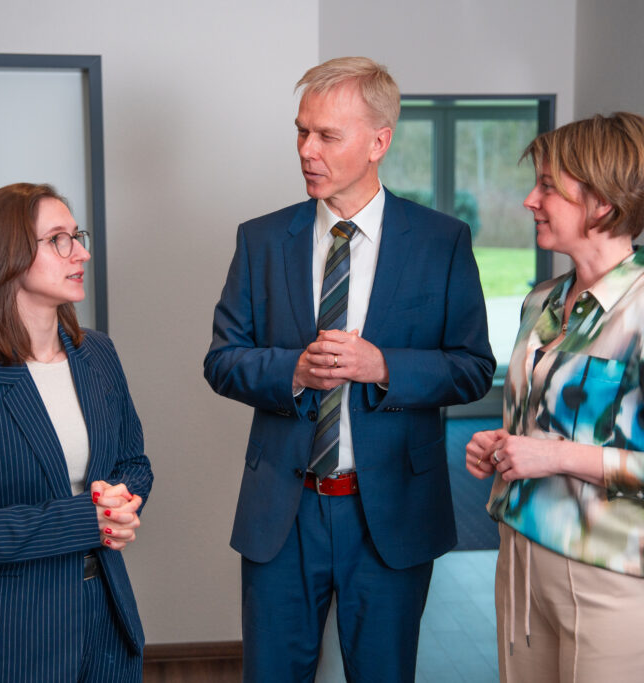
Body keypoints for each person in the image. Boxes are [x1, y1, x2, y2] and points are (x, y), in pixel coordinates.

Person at [204, 56, 495, 682]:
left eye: (326, 135)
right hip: (283, 512)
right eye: (301, 131)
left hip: (391, 511)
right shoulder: (260, 240)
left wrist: (383, 364)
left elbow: (473, 369)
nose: (307, 150)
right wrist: (296, 372)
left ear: (378, 142)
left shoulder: (442, 242)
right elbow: (222, 360)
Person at [465, 112, 644, 682]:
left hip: (620, 586)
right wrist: (505, 446)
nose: (530, 199)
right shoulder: (542, 302)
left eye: (548, 186)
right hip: (522, 567)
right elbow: (556, 427)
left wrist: (561, 456)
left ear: (602, 203)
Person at [0, 183, 153, 682]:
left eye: (75, 235)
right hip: (10, 635)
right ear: (7, 257)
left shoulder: (97, 353)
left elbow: (133, 463)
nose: (80, 251)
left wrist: (123, 500)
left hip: (106, 616)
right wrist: (91, 519)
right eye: (59, 239)